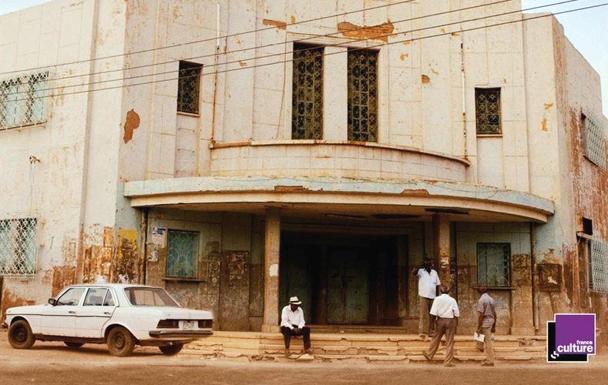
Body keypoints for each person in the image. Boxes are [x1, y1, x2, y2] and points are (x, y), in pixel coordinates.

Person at [422, 285, 459, 367]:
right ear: (448, 291)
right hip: (450, 321)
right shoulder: (452, 300)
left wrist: (431, 326)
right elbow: (456, 313)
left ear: (440, 291)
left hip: (440, 321)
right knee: (449, 341)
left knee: (436, 338)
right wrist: (456, 323)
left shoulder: (437, 299)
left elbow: (433, 313)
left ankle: (429, 354)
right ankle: (448, 362)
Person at [412, 258, 441, 338]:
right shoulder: (421, 271)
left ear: (431, 264)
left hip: (433, 297)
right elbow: (413, 272)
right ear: (424, 263)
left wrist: (437, 297)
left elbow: (437, 285)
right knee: (424, 315)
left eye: (429, 262)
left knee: (433, 315)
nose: (428, 263)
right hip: (423, 295)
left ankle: (431, 331)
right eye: (426, 262)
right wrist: (420, 265)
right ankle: (423, 332)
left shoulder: (434, 272)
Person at [476, 287, 497, 366]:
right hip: (491, 320)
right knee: (480, 334)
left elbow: (481, 314)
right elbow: (495, 313)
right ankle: (480, 346)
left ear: (479, 292)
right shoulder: (491, 299)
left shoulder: (481, 300)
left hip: (485, 321)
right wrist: (494, 325)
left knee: (487, 341)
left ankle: (490, 360)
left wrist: (479, 325)